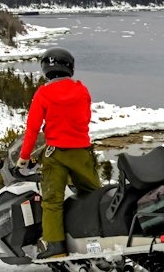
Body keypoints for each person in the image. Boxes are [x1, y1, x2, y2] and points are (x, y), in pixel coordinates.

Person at [17, 47, 101, 259]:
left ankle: (56, 246)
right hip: (81, 151)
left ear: (46, 68)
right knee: (94, 195)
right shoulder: (82, 90)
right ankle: (99, 237)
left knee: (52, 200)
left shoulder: (43, 93)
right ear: (69, 67)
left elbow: (33, 129)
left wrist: (24, 157)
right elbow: (85, 117)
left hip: (55, 154)